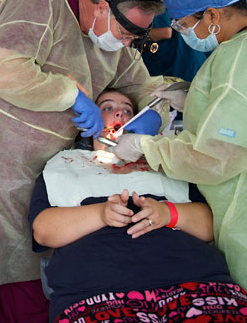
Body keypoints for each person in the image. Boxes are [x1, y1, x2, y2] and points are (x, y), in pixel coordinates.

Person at [0, 0, 166, 323]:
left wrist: (150, 112)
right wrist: (72, 96)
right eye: (126, 34)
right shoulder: (44, 0)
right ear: (100, 7)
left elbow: (139, 82)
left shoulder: (114, 39)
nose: (128, 44)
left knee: (24, 269)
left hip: (45, 169)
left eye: (136, 37)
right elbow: (4, 68)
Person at [31, 90, 247, 323]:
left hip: (199, 283)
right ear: (88, 119)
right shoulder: (64, 166)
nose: (119, 114)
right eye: (107, 108)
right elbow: (43, 231)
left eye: (127, 111)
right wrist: (101, 214)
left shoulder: (166, 161)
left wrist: (169, 213)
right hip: (98, 294)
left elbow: (210, 227)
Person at [111, 0, 247, 288]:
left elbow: (215, 158)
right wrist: (197, 99)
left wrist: (149, 147)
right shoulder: (233, 51)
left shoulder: (235, 63)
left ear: (212, 15)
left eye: (183, 24)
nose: (181, 31)